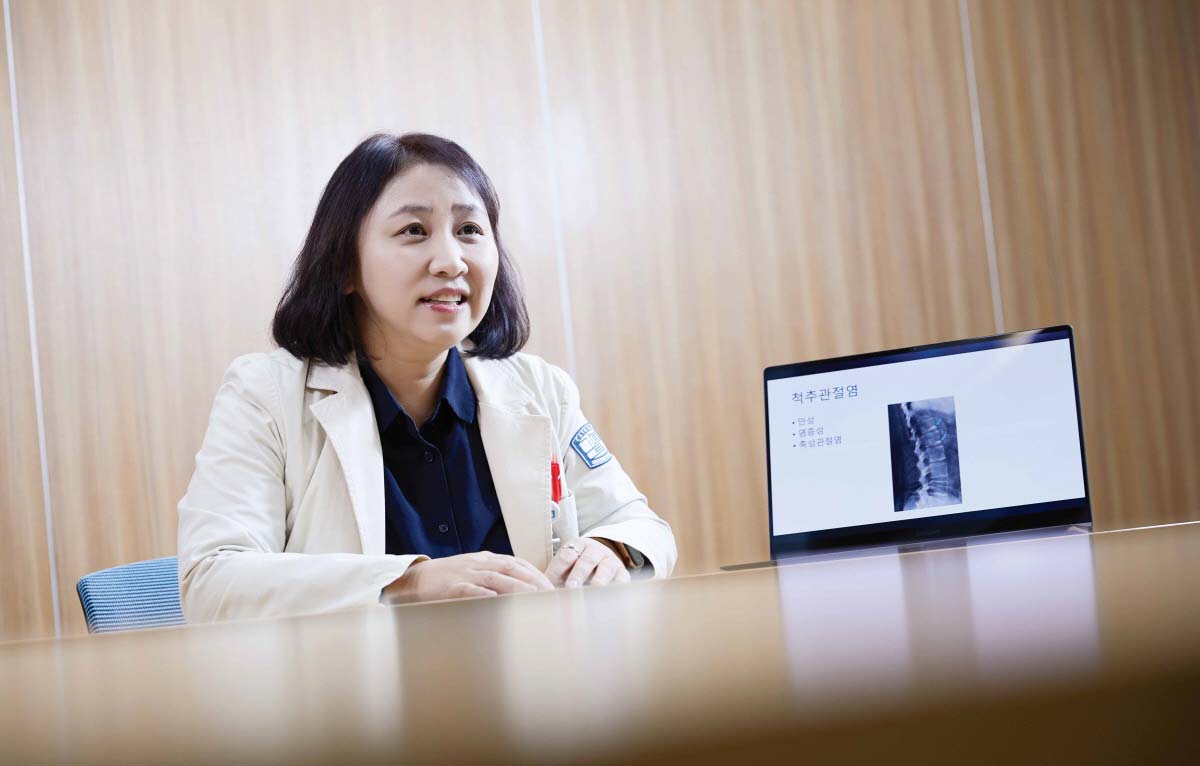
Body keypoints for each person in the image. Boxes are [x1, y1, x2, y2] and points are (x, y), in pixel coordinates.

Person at [177, 132, 677, 623]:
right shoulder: (265, 395)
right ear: (345, 265)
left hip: (539, 672)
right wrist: (407, 583)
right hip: (351, 678)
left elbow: (638, 525)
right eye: (414, 231)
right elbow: (212, 582)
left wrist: (610, 548)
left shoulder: (539, 389)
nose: (451, 261)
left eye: (470, 230)